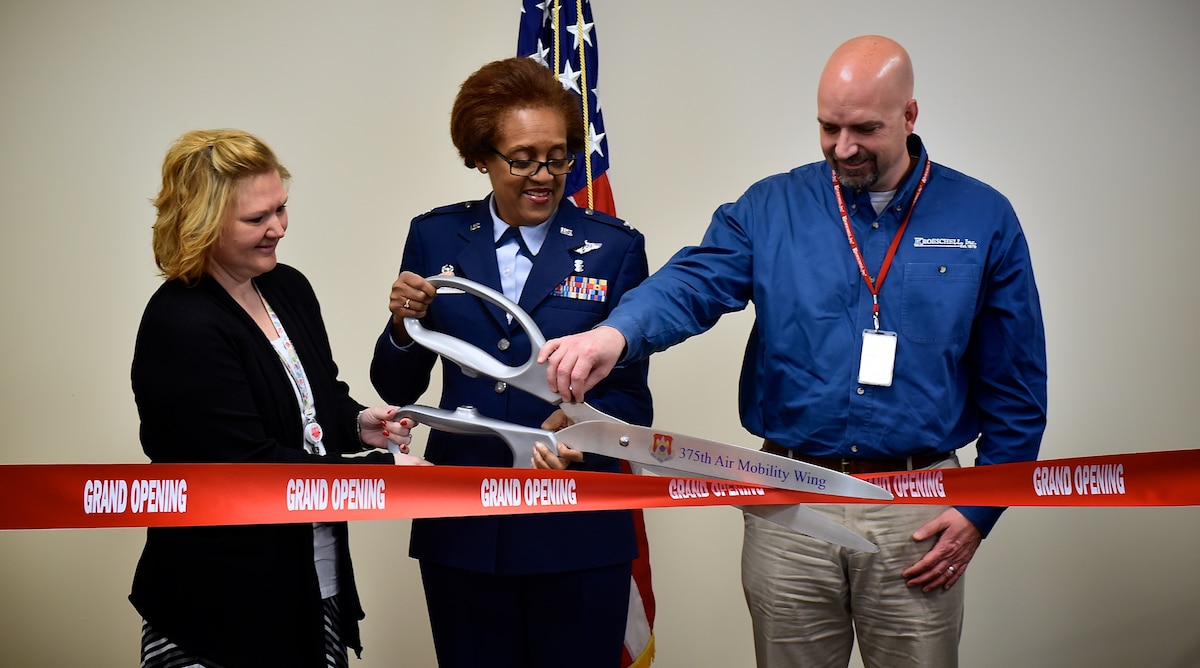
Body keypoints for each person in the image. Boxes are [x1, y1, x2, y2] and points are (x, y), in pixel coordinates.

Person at [539, 35, 1048, 668]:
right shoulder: (771, 207)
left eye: (865, 129)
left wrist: (979, 510)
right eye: (828, 127)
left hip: (915, 510)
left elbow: (1018, 392)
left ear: (910, 116)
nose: (844, 148)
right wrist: (614, 334)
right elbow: (694, 282)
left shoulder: (983, 218)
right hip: (788, 499)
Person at [369, 57, 652, 668]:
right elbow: (394, 384)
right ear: (481, 158)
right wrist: (400, 325)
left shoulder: (616, 248)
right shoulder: (436, 237)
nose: (543, 176)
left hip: (576, 531)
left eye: (558, 157)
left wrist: (584, 432)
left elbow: (631, 400)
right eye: (522, 159)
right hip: (466, 531)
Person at [129, 128, 429, 668]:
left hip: (312, 580)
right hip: (221, 603)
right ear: (202, 223)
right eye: (256, 219)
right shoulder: (182, 323)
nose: (279, 230)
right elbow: (250, 466)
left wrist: (358, 422)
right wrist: (381, 478)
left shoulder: (286, 286)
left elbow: (315, 401)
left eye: (282, 209)